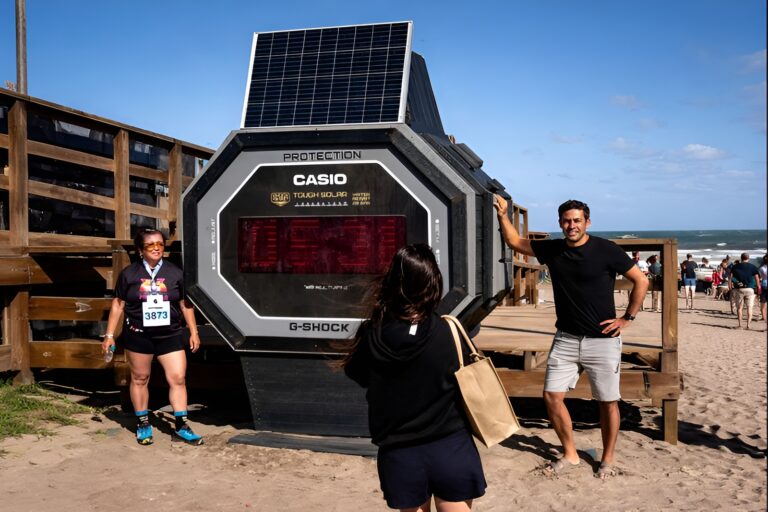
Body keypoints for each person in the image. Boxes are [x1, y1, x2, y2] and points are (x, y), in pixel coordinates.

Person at [494, 196, 648, 479]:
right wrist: (503, 215)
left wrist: (628, 318)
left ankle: (608, 459)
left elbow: (642, 280)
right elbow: (515, 243)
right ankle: (571, 453)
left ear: (587, 222)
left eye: (577, 220)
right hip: (565, 338)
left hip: (603, 340)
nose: (571, 225)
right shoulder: (552, 249)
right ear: (560, 223)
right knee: (552, 397)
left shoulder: (607, 250)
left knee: (608, 402)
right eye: (566, 220)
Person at [344, 244, 486, 512]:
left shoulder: (371, 334)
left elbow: (359, 375)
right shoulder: (448, 332)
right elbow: (470, 378)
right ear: (433, 283)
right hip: (450, 445)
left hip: (399, 451)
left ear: (393, 283)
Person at [102, 228, 203, 445]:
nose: (156, 248)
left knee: (178, 378)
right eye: (150, 245)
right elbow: (118, 304)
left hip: (170, 334)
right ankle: (143, 424)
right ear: (140, 250)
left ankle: (182, 425)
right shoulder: (129, 274)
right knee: (139, 378)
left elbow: (185, 304)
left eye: (160, 244)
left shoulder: (175, 272)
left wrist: (194, 331)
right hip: (139, 335)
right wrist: (109, 335)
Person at [729, 253, 762, 330]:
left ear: (741, 258)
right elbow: (757, 279)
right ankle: (748, 325)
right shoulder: (753, 267)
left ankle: (740, 325)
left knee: (739, 308)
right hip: (750, 289)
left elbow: (730, 278)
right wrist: (758, 289)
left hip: (739, 289)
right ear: (748, 258)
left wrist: (730, 288)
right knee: (749, 308)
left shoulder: (735, 266)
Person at [759, 254, 768, 322]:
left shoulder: (762, 268)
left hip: (764, 285)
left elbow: (760, 278)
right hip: (764, 285)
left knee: (763, 302)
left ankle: (763, 317)